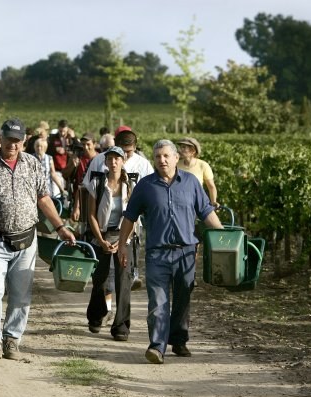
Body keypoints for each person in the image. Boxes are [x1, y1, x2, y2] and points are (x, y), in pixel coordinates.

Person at [0, 117, 75, 361]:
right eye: (9, 139)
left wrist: (60, 227)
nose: (13, 144)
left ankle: (11, 339)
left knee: (20, 295)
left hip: (26, 240)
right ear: (0, 138)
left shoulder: (33, 165)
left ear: (24, 141)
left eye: (18, 140)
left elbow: (43, 198)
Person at [117, 139, 223, 364]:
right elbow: (129, 217)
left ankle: (179, 339)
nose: (162, 160)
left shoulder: (192, 183)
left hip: (186, 252)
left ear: (176, 158)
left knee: (183, 297)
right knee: (158, 301)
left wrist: (224, 235)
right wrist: (122, 245)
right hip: (157, 253)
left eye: (166, 156)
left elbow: (206, 212)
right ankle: (157, 346)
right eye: (158, 157)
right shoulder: (145, 186)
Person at [82, 126, 153, 291]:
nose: (125, 156)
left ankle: (131, 278)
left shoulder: (142, 164)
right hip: (103, 223)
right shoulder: (100, 160)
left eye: (129, 152)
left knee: (124, 268)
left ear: (135, 148)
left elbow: (150, 192)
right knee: (102, 274)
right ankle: (105, 306)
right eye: (123, 151)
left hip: (130, 224)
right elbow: (87, 189)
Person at [85, 146, 135, 341]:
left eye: (117, 159)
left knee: (124, 281)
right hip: (102, 235)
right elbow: (91, 214)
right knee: (100, 278)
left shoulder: (130, 184)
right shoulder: (97, 183)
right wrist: (100, 240)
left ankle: (121, 326)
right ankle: (96, 316)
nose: (113, 162)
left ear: (123, 161)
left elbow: (134, 215)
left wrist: (122, 241)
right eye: (110, 159)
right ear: (105, 162)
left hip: (124, 235)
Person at [176, 137, 219, 207]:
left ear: (193, 151)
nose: (180, 150)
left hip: (197, 203)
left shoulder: (203, 165)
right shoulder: (176, 164)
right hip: (179, 203)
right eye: (180, 147)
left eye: (184, 147)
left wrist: (213, 202)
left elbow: (211, 187)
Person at [70, 132, 98, 222]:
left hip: (96, 199)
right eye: (83, 144)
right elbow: (64, 174)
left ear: (94, 144)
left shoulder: (101, 159)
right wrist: (72, 165)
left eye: (88, 144)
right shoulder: (78, 157)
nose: (85, 147)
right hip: (80, 197)